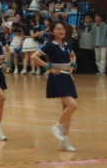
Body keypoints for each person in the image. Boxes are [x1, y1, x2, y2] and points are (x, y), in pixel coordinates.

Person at [31, 21, 78, 151]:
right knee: (73, 105)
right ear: (52, 32)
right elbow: (34, 57)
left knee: (67, 109)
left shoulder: (67, 44)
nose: (61, 31)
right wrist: (48, 67)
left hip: (67, 77)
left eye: (62, 29)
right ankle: (57, 126)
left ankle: (64, 141)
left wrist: (71, 67)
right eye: (58, 29)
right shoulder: (50, 45)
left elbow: (73, 56)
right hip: (57, 77)